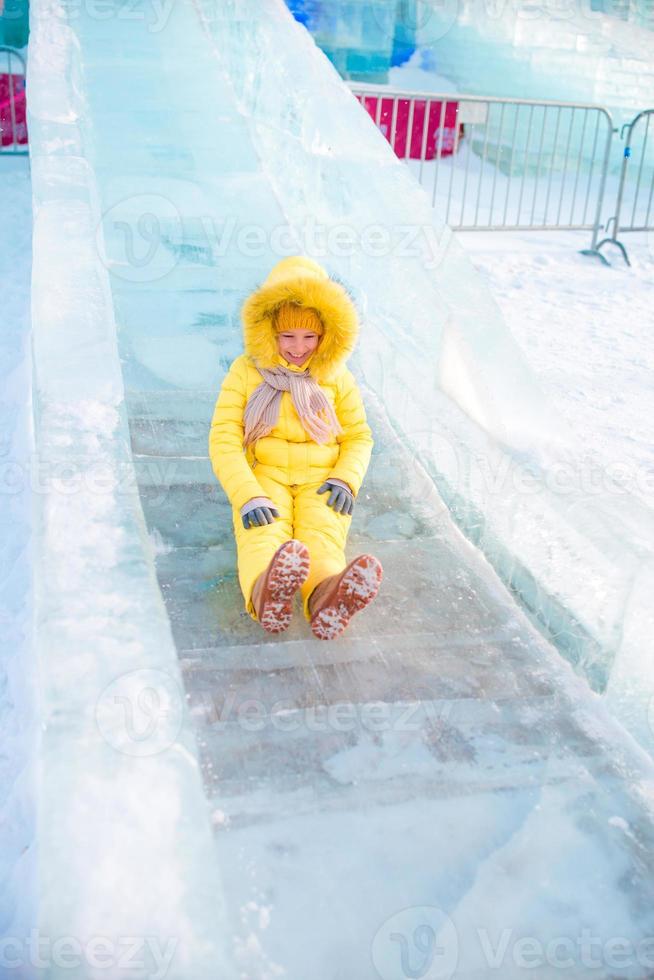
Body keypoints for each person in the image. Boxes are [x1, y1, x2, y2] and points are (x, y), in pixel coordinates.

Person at [208, 255, 382, 640]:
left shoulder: (335, 377)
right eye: (287, 336)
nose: (298, 347)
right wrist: (247, 494)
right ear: (267, 331)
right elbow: (224, 437)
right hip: (264, 475)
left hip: (322, 479)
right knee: (262, 531)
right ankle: (266, 590)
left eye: (309, 336)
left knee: (321, 532)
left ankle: (326, 596)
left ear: (327, 334)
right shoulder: (247, 371)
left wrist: (345, 479)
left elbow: (358, 435)